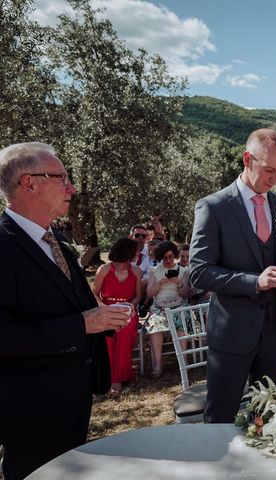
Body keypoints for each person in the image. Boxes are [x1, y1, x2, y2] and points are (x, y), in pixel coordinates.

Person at [0, 142, 129, 480]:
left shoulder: (56, 241)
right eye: (62, 177)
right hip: (30, 410)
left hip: (74, 399)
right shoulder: (2, 245)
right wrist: (83, 324)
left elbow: (77, 306)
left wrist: (106, 319)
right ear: (30, 183)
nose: (71, 187)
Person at [189, 128, 276, 423]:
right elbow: (199, 272)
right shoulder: (213, 207)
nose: (275, 179)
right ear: (246, 159)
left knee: (271, 417)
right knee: (220, 417)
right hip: (232, 333)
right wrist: (255, 281)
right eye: (269, 170)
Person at [92, 237, 143, 397]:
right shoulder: (105, 269)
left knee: (123, 331)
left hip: (127, 311)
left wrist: (130, 306)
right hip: (106, 309)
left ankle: (117, 379)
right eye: (135, 251)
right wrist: (105, 309)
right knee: (106, 334)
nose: (137, 254)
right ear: (127, 252)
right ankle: (104, 376)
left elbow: (138, 296)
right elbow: (93, 294)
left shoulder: (136, 271)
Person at [144, 240, 190, 377]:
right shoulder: (155, 271)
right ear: (160, 258)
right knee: (155, 325)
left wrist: (180, 284)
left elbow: (185, 294)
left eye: (170, 257)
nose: (168, 260)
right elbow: (149, 293)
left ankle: (183, 361)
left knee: (181, 322)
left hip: (178, 305)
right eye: (165, 258)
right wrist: (159, 284)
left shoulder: (182, 271)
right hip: (160, 307)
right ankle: (158, 364)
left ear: (174, 255)